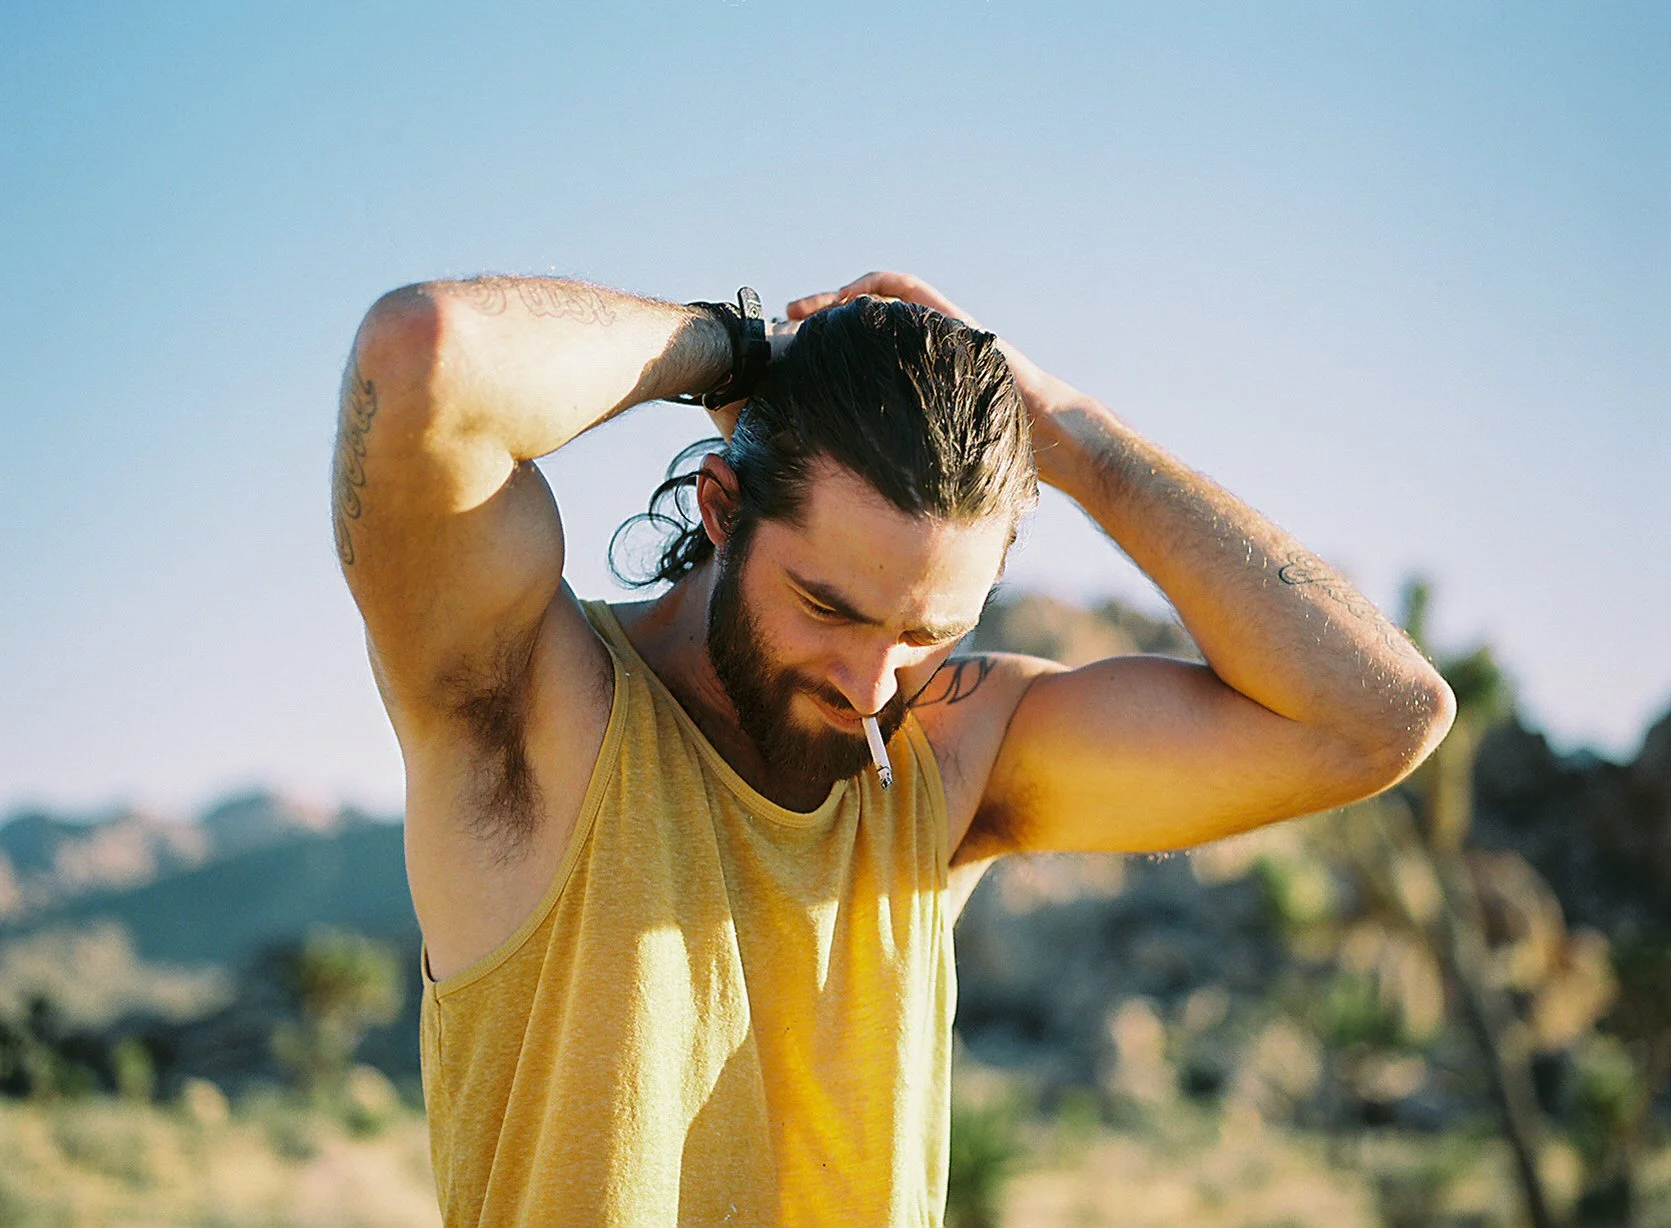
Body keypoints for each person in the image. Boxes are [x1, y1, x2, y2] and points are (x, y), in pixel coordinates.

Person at [332, 269, 1455, 1225]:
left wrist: (1065, 434)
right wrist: (742, 349)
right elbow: (426, 357)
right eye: (828, 606)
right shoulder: (530, 710)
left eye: (927, 632)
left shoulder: (947, 759)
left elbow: (1378, 719)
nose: (872, 685)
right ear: (723, 507)